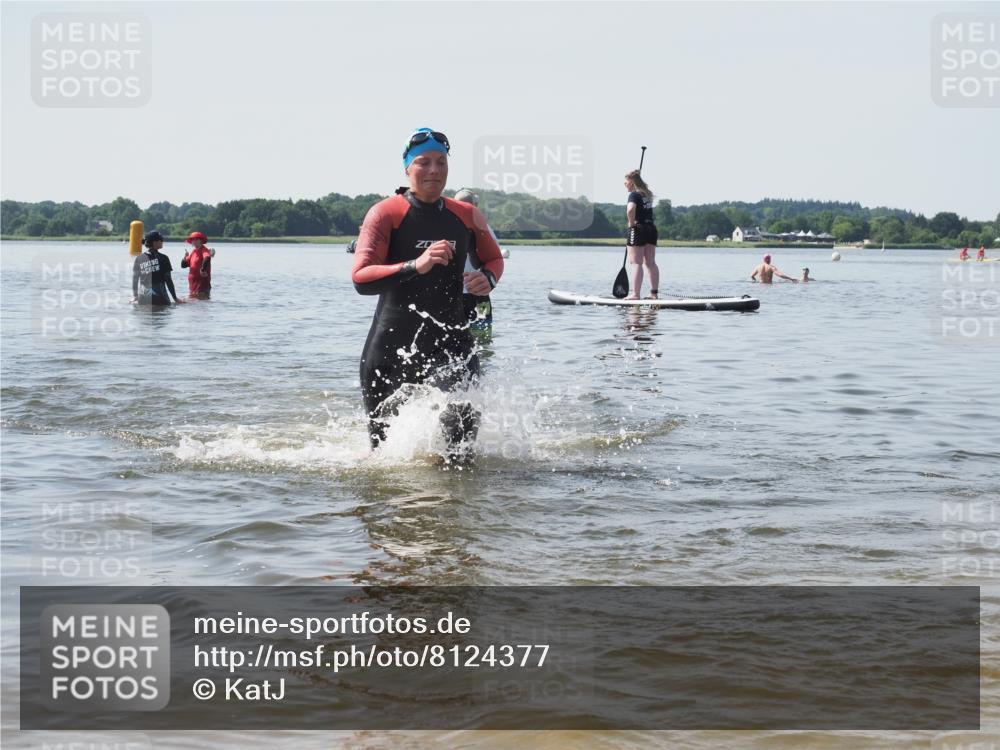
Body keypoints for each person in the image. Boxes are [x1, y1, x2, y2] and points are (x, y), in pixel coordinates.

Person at [351, 128, 504, 458]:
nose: (434, 170)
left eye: (441, 162)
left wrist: (489, 277)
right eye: (423, 162)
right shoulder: (385, 213)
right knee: (382, 457)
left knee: (463, 438)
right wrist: (415, 265)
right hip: (391, 348)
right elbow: (361, 278)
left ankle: (452, 501)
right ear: (407, 168)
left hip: (451, 342)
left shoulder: (466, 215)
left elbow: (493, 257)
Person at [454, 188, 498, 336]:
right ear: (475, 206)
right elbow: (494, 259)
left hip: (453, 296)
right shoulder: (486, 229)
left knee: (453, 342)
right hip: (480, 296)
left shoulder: (445, 227)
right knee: (483, 339)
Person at [623, 169, 659, 299]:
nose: (624, 185)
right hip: (651, 228)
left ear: (632, 183)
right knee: (650, 263)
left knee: (636, 263)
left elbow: (631, 209)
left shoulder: (633, 195)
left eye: (626, 182)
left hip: (638, 228)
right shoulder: (647, 194)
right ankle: (654, 294)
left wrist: (631, 223)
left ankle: (635, 294)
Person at [132, 230, 184, 306]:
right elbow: (168, 280)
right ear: (154, 242)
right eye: (161, 240)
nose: (162, 242)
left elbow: (135, 279)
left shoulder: (139, 258)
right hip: (160, 298)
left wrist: (135, 296)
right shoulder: (163, 258)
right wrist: (175, 298)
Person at [181, 231, 214, 299]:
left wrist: (202, 269)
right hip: (193, 287)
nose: (194, 241)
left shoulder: (204, 250)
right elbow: (183, 266)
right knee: (192, 307)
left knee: (201, 306)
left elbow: (207, 258)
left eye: (197, 239)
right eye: (193, 239)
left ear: (201, 241)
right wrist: (184, 257)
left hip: (202, 287)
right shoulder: (193, 252)